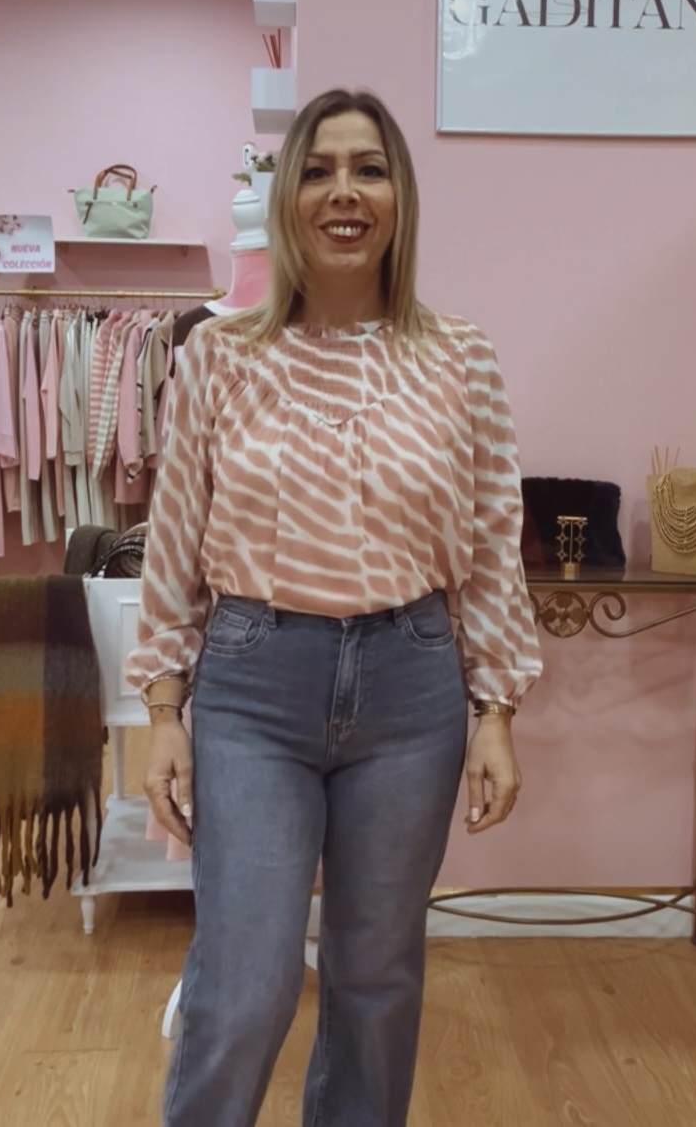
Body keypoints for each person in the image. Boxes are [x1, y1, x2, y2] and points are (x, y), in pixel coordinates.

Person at [125, 88, 543, 1127]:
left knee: (375, 976)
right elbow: (173, 541)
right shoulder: (219, 354)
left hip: (411, 689)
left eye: (368, 169)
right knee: (244, 981)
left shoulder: (460, 357)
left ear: (399, 196)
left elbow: (493, 540)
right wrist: (162, 708)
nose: (343, 192)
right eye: (316, 171)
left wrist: (496, 708)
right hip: (253, 685)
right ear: (285, 198)